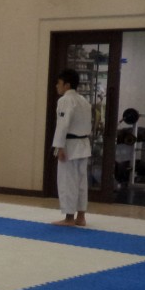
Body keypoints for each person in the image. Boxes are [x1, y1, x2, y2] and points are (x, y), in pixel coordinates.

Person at [50, 68, 92, 227]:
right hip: (83, 144)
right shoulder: (83, 100)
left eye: (59, 83)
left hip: (70, 145)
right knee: (81, 182)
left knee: (68, 181)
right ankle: (81, 216)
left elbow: (62, 125)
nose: (57, 86)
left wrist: (59, 147)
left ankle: (69, 218)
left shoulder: (65, 100)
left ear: (67, 85)